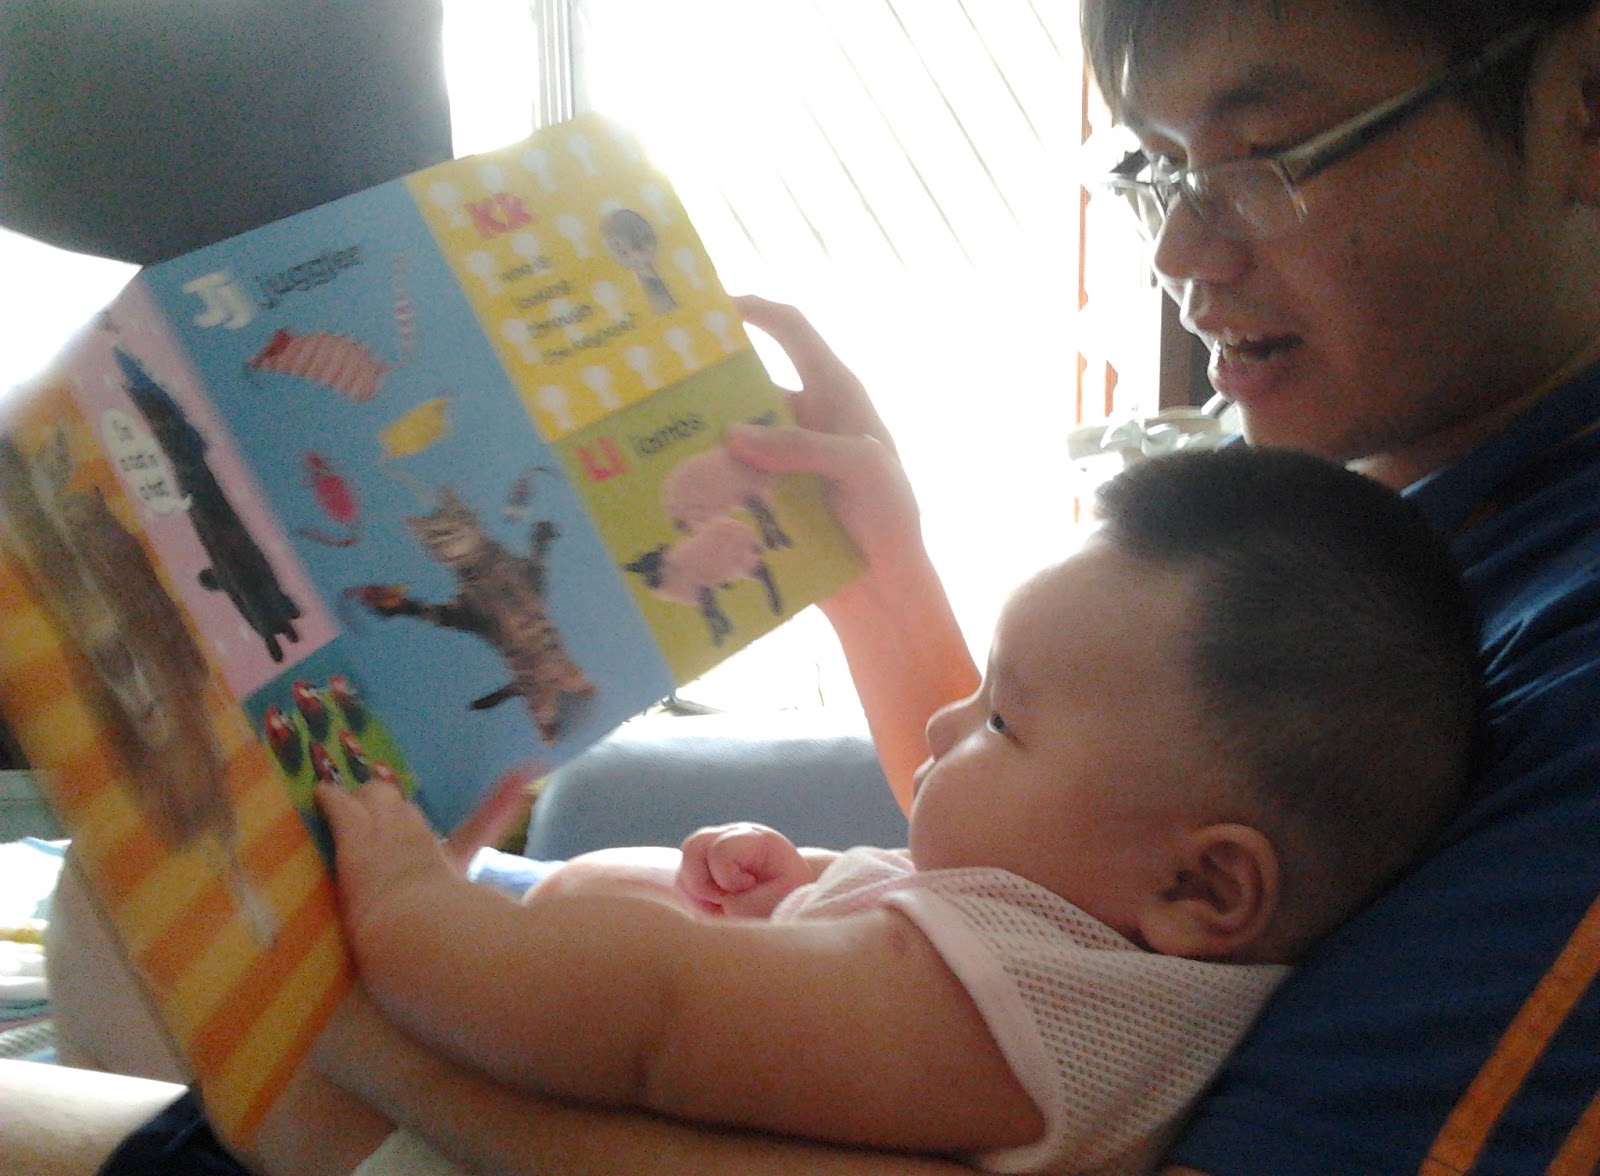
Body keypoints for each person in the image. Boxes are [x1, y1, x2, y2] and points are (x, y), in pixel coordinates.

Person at [7, 0, 1600, 1170]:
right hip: (579, 1020)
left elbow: (744, 1030)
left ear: (1583, 104)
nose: (1183, 253)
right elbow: (1069, 870)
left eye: (1272, 152)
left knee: (138, 936)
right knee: (115, 899)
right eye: (1158, 170)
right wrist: (876, 569)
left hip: (477, 1109)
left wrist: (362, 1026)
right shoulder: (1366, 521)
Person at [311, 445, 1479, 1176]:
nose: (940, 727)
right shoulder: (1094, 955)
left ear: (1199, 887)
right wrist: (810, 883)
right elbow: (872, 971)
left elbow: (655, 1018)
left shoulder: (1035, 1004)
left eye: (1002, 721)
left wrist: (411, 910)